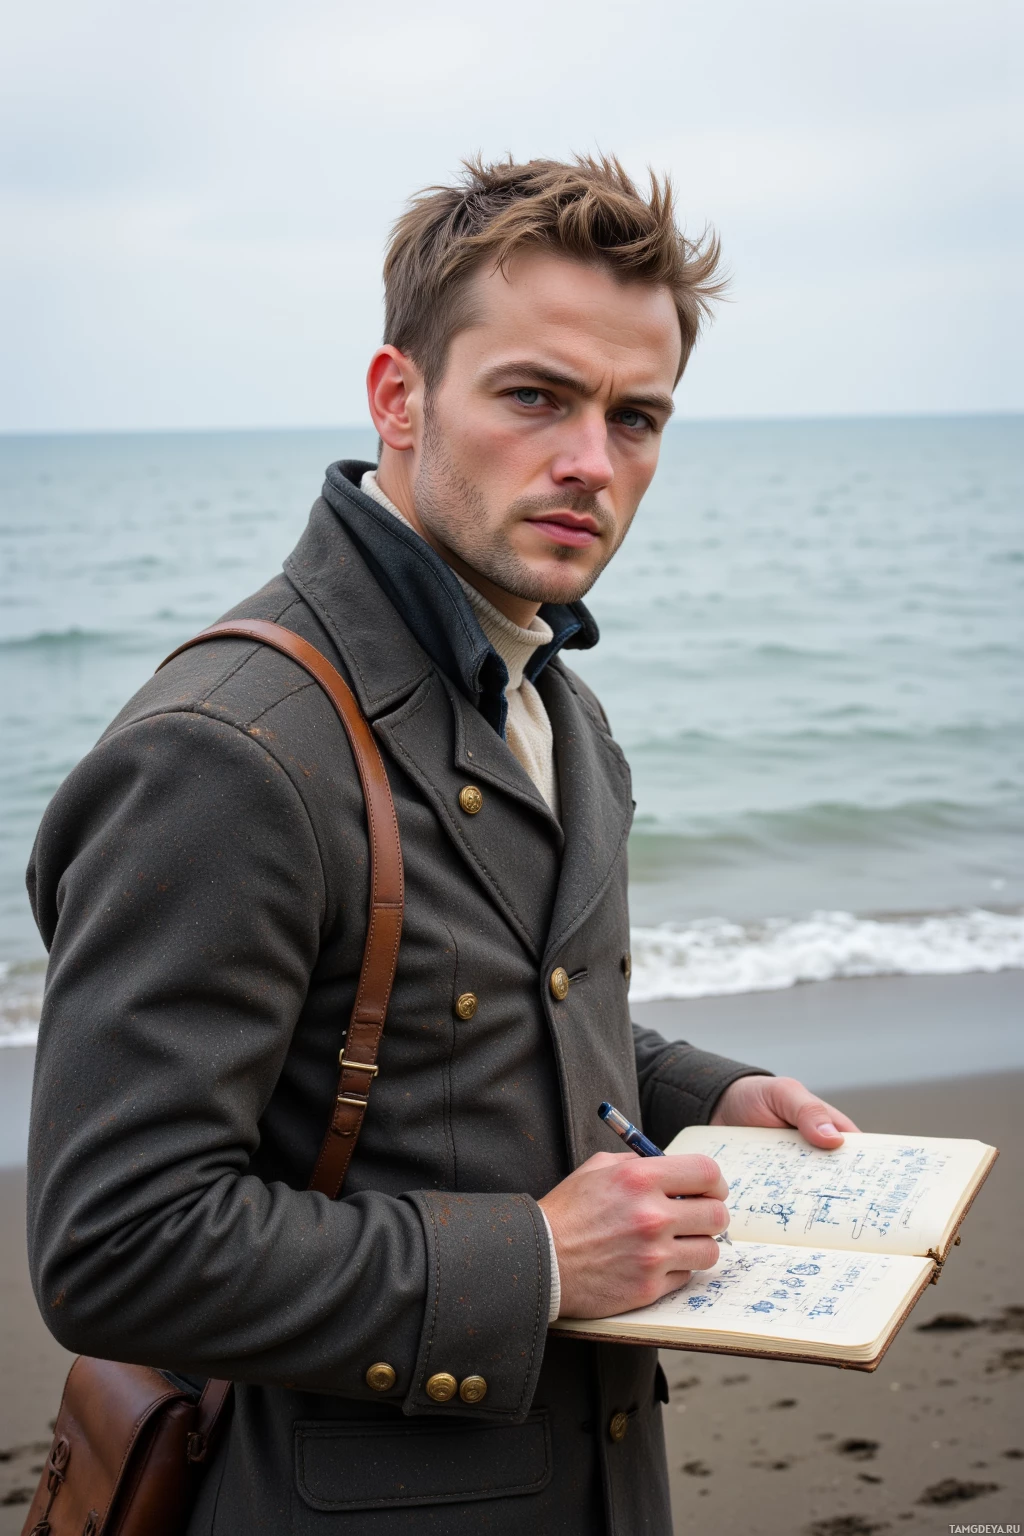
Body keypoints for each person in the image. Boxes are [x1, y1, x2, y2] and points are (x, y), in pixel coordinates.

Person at [26, 154, 857, 1534]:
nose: (592, 460)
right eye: (536, 395)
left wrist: (713, 1096)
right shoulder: (226, 752)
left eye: (637, 416)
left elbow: (483, 1023)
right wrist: (531, 1259)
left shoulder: (555, 702)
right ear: (399, 398)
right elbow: (116, 1249)